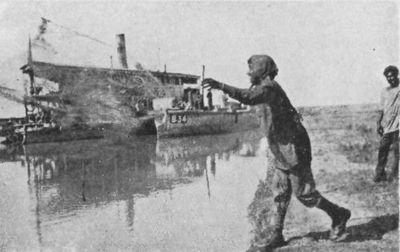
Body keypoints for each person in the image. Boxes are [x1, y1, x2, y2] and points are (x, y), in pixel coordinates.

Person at [202, 55, 351, 250]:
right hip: (280, 146)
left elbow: (247, 97)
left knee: (304, 194)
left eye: (252, 71)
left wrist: (220, 85)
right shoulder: (260, 88)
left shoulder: (270, 88)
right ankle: (277, 235)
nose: (248, 74)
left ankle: (339, 214)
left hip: (294, 146)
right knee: (280, 191)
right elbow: (251, 96)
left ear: (262, 71)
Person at [374, 65, 400, 183]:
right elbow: (381, 109)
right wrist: (378, 123)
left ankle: (395, 176)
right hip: (387, 127)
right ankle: (380, 175)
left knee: (397, 152)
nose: (391, 79)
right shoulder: (384, 91)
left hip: (398, 127)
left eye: (392, 76)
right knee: (382, 150)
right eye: (388, 77)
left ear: (396, 75)